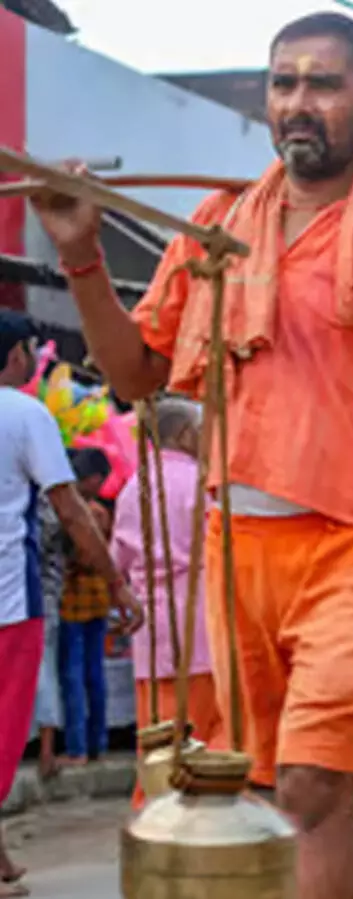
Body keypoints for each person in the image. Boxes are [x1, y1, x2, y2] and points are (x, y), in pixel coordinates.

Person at [29, 14, 353, 897]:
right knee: (282, 793)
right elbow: (136, 374)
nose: (299, 103)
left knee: (310, 785)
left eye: (324, 84)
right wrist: (81, 253)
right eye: (284, 84)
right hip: (239, 545)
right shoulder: (218, 231)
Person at [0, 310, 141, 898]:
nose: (36, 360)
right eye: (31, 350)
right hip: (9, 598)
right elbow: (70, 509)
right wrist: (115, 581)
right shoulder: (25, 413)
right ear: (13, 356)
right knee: (6, 732)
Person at [111, 397, 223, 810]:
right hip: (199, 623)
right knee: (205, 728)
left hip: (150, 631)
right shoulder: (202, 483)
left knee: (156, 728)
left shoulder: (131, 487)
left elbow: (117, 562)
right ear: (184, 435)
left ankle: (154, 806)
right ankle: (204, 811)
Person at [58, 448, 115, 767]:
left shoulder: (75, 513)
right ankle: (98, 743)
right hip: (99, 600)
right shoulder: (100, 513)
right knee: (94, 674)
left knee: (73, 675)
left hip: (71, 602)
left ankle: (78, 748)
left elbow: (77, 559)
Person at [30, 493, 66, 781]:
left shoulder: (42, 502)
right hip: (38, 597)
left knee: (42, 674)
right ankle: (45, 751)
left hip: (37, 598)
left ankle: (46, 752)